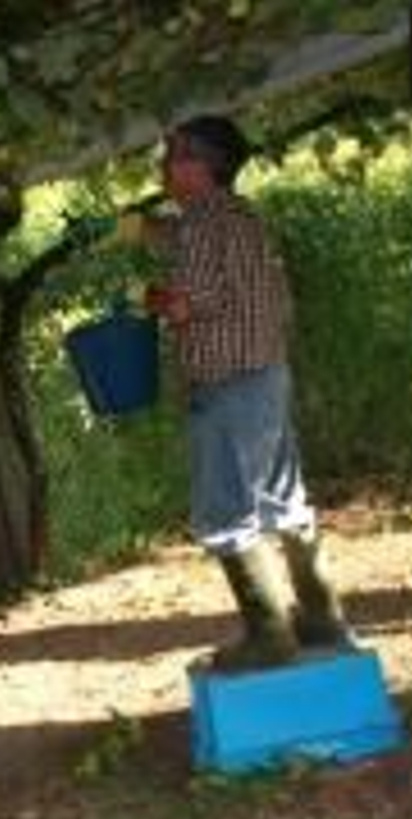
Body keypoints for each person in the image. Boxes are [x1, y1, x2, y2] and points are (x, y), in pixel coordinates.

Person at [141, 114, 353, 672]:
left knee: (226, 509)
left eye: (173, 155)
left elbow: (189, 302)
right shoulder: (237, 216)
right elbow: (233, 284)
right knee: (284, 498)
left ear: (201, 165)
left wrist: (156, 300)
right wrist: (155, 234)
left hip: (229, 382)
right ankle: (322, 618)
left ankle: (270, 636)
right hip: (265, 374)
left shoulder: (203, 223)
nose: (164, 165)